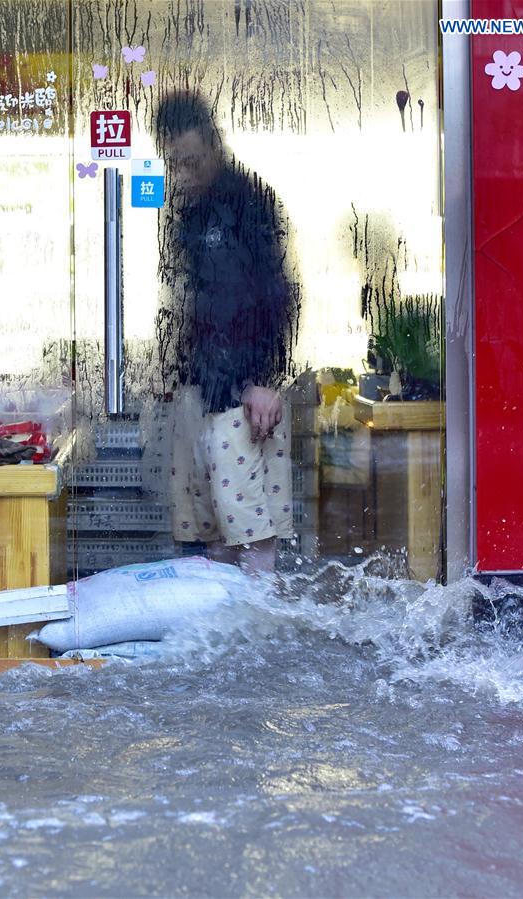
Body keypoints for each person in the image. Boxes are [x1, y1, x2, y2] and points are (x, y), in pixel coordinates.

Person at [154, 91, 299, 573]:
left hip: (245, 392)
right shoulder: (189, 213)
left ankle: (257, 636)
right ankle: (224, 638)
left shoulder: (250, 201)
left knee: (249, 529)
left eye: (193, 161)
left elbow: (278, 292)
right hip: (202, 386)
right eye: (176, 164)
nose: (185, 174)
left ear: (215, 146)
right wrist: (175, 372)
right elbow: (189, 302)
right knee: (208, 528)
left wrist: (265, 379)